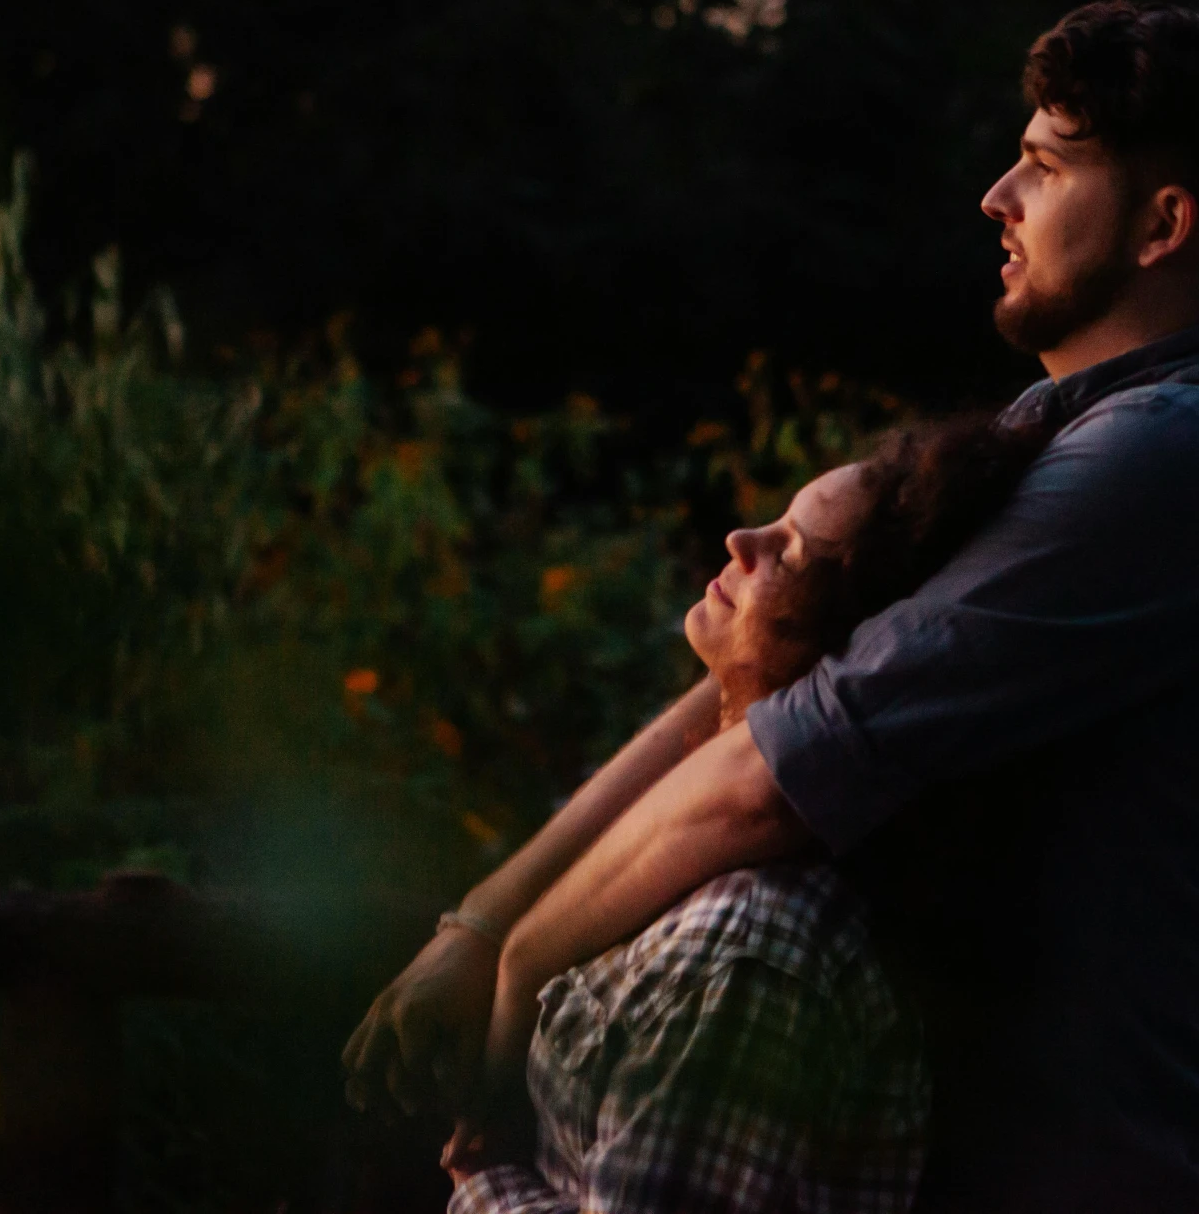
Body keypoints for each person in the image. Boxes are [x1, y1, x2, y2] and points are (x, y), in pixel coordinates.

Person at [346, 0, 1199, 1213]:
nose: (996, 195)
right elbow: (723, 704)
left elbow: (777, 765)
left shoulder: (1173, 461)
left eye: (1043, 164)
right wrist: (481, 922)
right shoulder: (1065, 434)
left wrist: (517, 977)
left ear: (1162, 224)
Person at [444, 416, 1051, 1214]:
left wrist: (484, 1181)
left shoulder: (751, 949)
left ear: (855, 658)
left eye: (791, 552)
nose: (740, 538)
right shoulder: (699, 870)